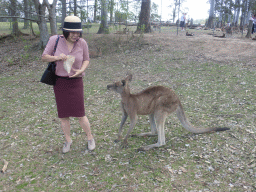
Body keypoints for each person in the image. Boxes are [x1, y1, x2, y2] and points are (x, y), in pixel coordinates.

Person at [41, 16, 95, 153]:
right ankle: (68, 140)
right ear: (65, 31)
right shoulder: (55, 40)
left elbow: (87, 60)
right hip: (60, 82)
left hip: (76, 82)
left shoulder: (82, 43)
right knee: (63, 115)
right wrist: (57, 57)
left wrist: (81, 70)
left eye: (78, 33)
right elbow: (44, 57)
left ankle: (90, 138)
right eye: (73, 32)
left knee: (80, 114)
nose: (76, 35)